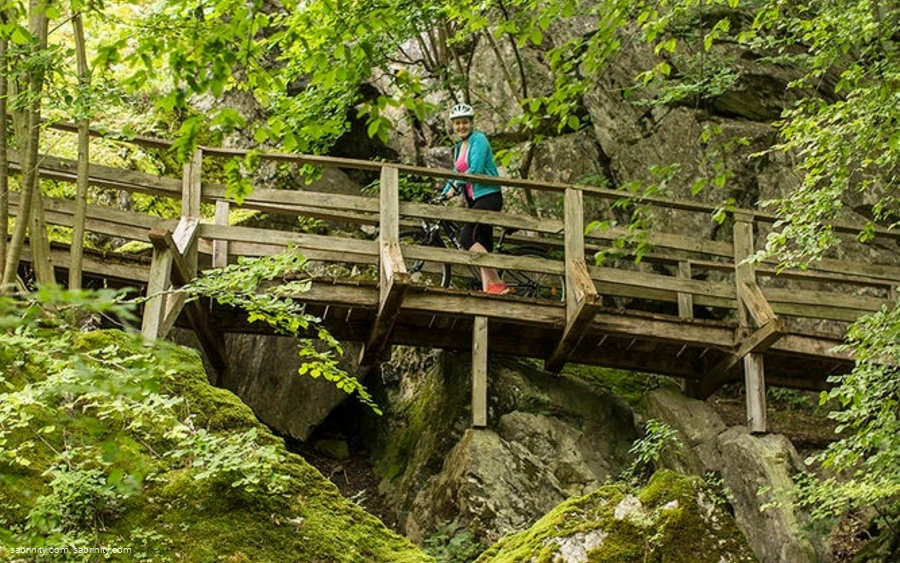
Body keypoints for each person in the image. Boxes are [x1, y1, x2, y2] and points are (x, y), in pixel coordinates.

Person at [440, 102, 509, 295]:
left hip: (488, 196)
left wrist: (455, 188)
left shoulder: (479, 139)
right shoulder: (459, 147)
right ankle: (490, 290)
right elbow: (457, 173)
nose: (461, 126)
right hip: (475, 200)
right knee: (483, 245)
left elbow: (476, 170)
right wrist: (444, 192)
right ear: (453, 125)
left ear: (471, 123)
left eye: (464, 122)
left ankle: (497, 282)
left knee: (466, 237)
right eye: (457, 123)